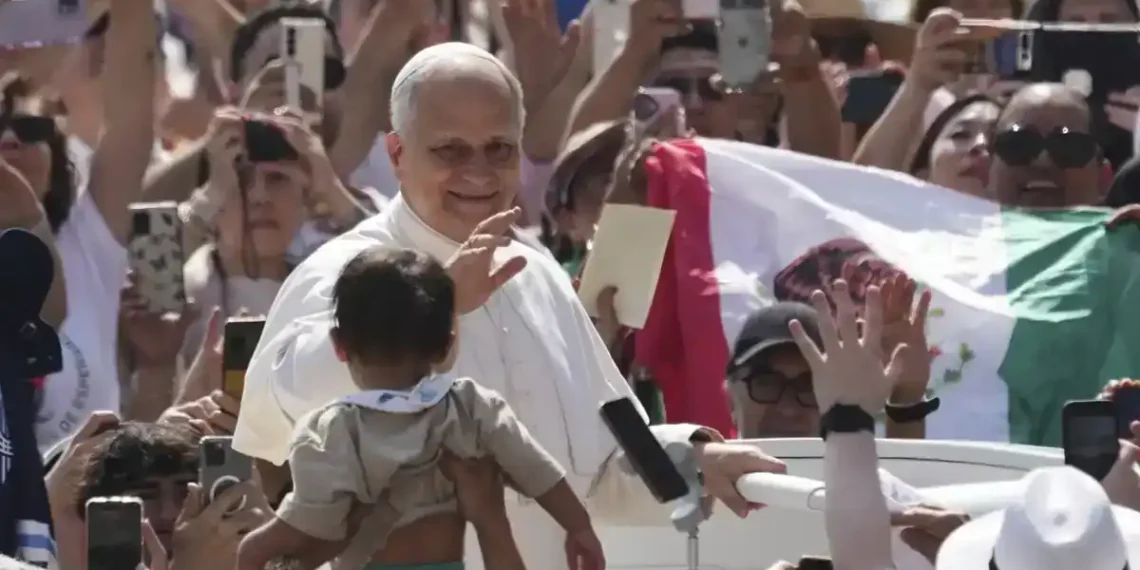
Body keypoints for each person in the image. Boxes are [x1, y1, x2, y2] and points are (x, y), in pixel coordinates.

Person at [233, 42, 787, 570]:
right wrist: (436, 304)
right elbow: (279, 413)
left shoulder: (536, 271)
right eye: (451, 150)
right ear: (398, 154)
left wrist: (694, 460)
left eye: (498, 150)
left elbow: (601, 458)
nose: (478, 172)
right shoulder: (345, 272)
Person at [238, 246, 601, 570]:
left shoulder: (333, 432)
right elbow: (535, 469)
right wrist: (579, 526)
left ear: (339, 347)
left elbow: (314, 521)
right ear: (446, 347)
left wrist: (256, 550)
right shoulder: (470, 410)